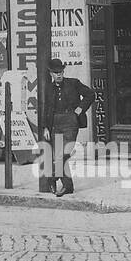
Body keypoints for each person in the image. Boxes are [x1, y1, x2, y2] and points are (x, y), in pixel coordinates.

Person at [39, 57, 94, 197]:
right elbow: (45, 109)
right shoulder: (48, 88)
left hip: (70, 122)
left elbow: (90, 94)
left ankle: (52, 177)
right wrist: (46, 127)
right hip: (54, 123)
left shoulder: (73, 83)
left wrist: (80, 109)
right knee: (59, 155)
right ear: (51, 73)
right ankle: (68, 186)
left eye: (61, 72)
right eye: (56, 72)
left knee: (64, 153)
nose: (59, 75)